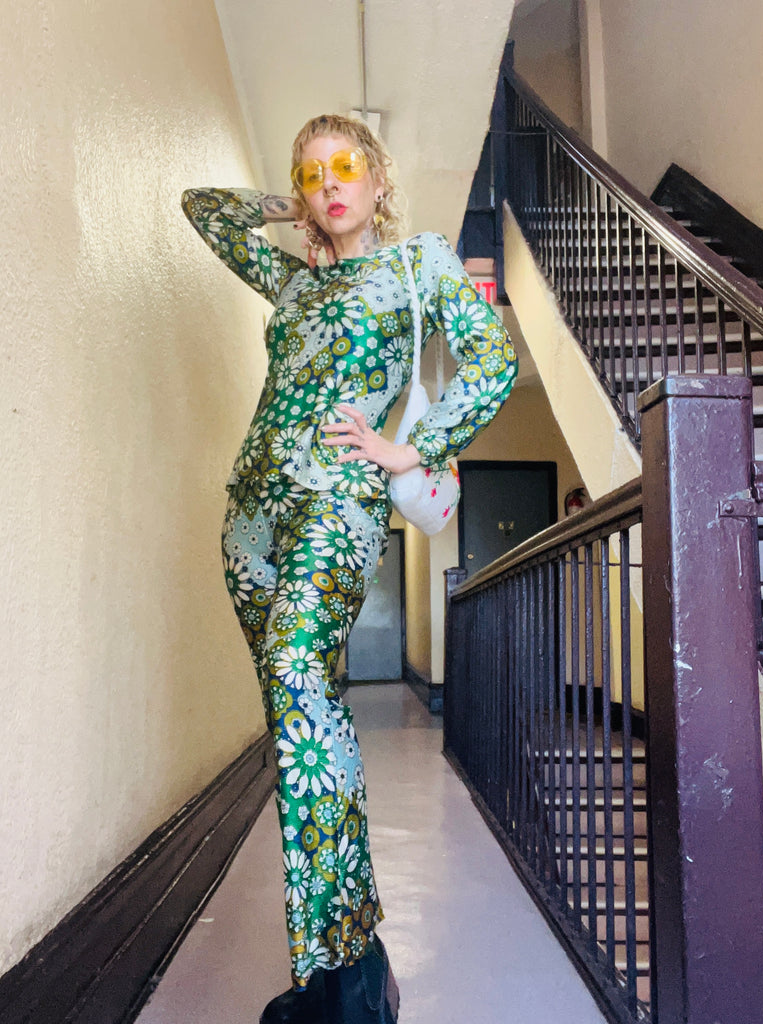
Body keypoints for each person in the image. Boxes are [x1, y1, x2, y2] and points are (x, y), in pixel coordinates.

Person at [181, 113, 518, 1024]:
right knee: (303, 726)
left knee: (299, 684)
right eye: (309, 175)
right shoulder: (291, 282)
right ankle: (343, 969)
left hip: (338, 501)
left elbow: (492, 361)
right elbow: (201, 208)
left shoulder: (421, 265)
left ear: (377, 179)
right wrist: (280, 205)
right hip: (251, 520)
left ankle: (344, 965)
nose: (327, 185)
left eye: (343, 168)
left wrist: (415, 450)